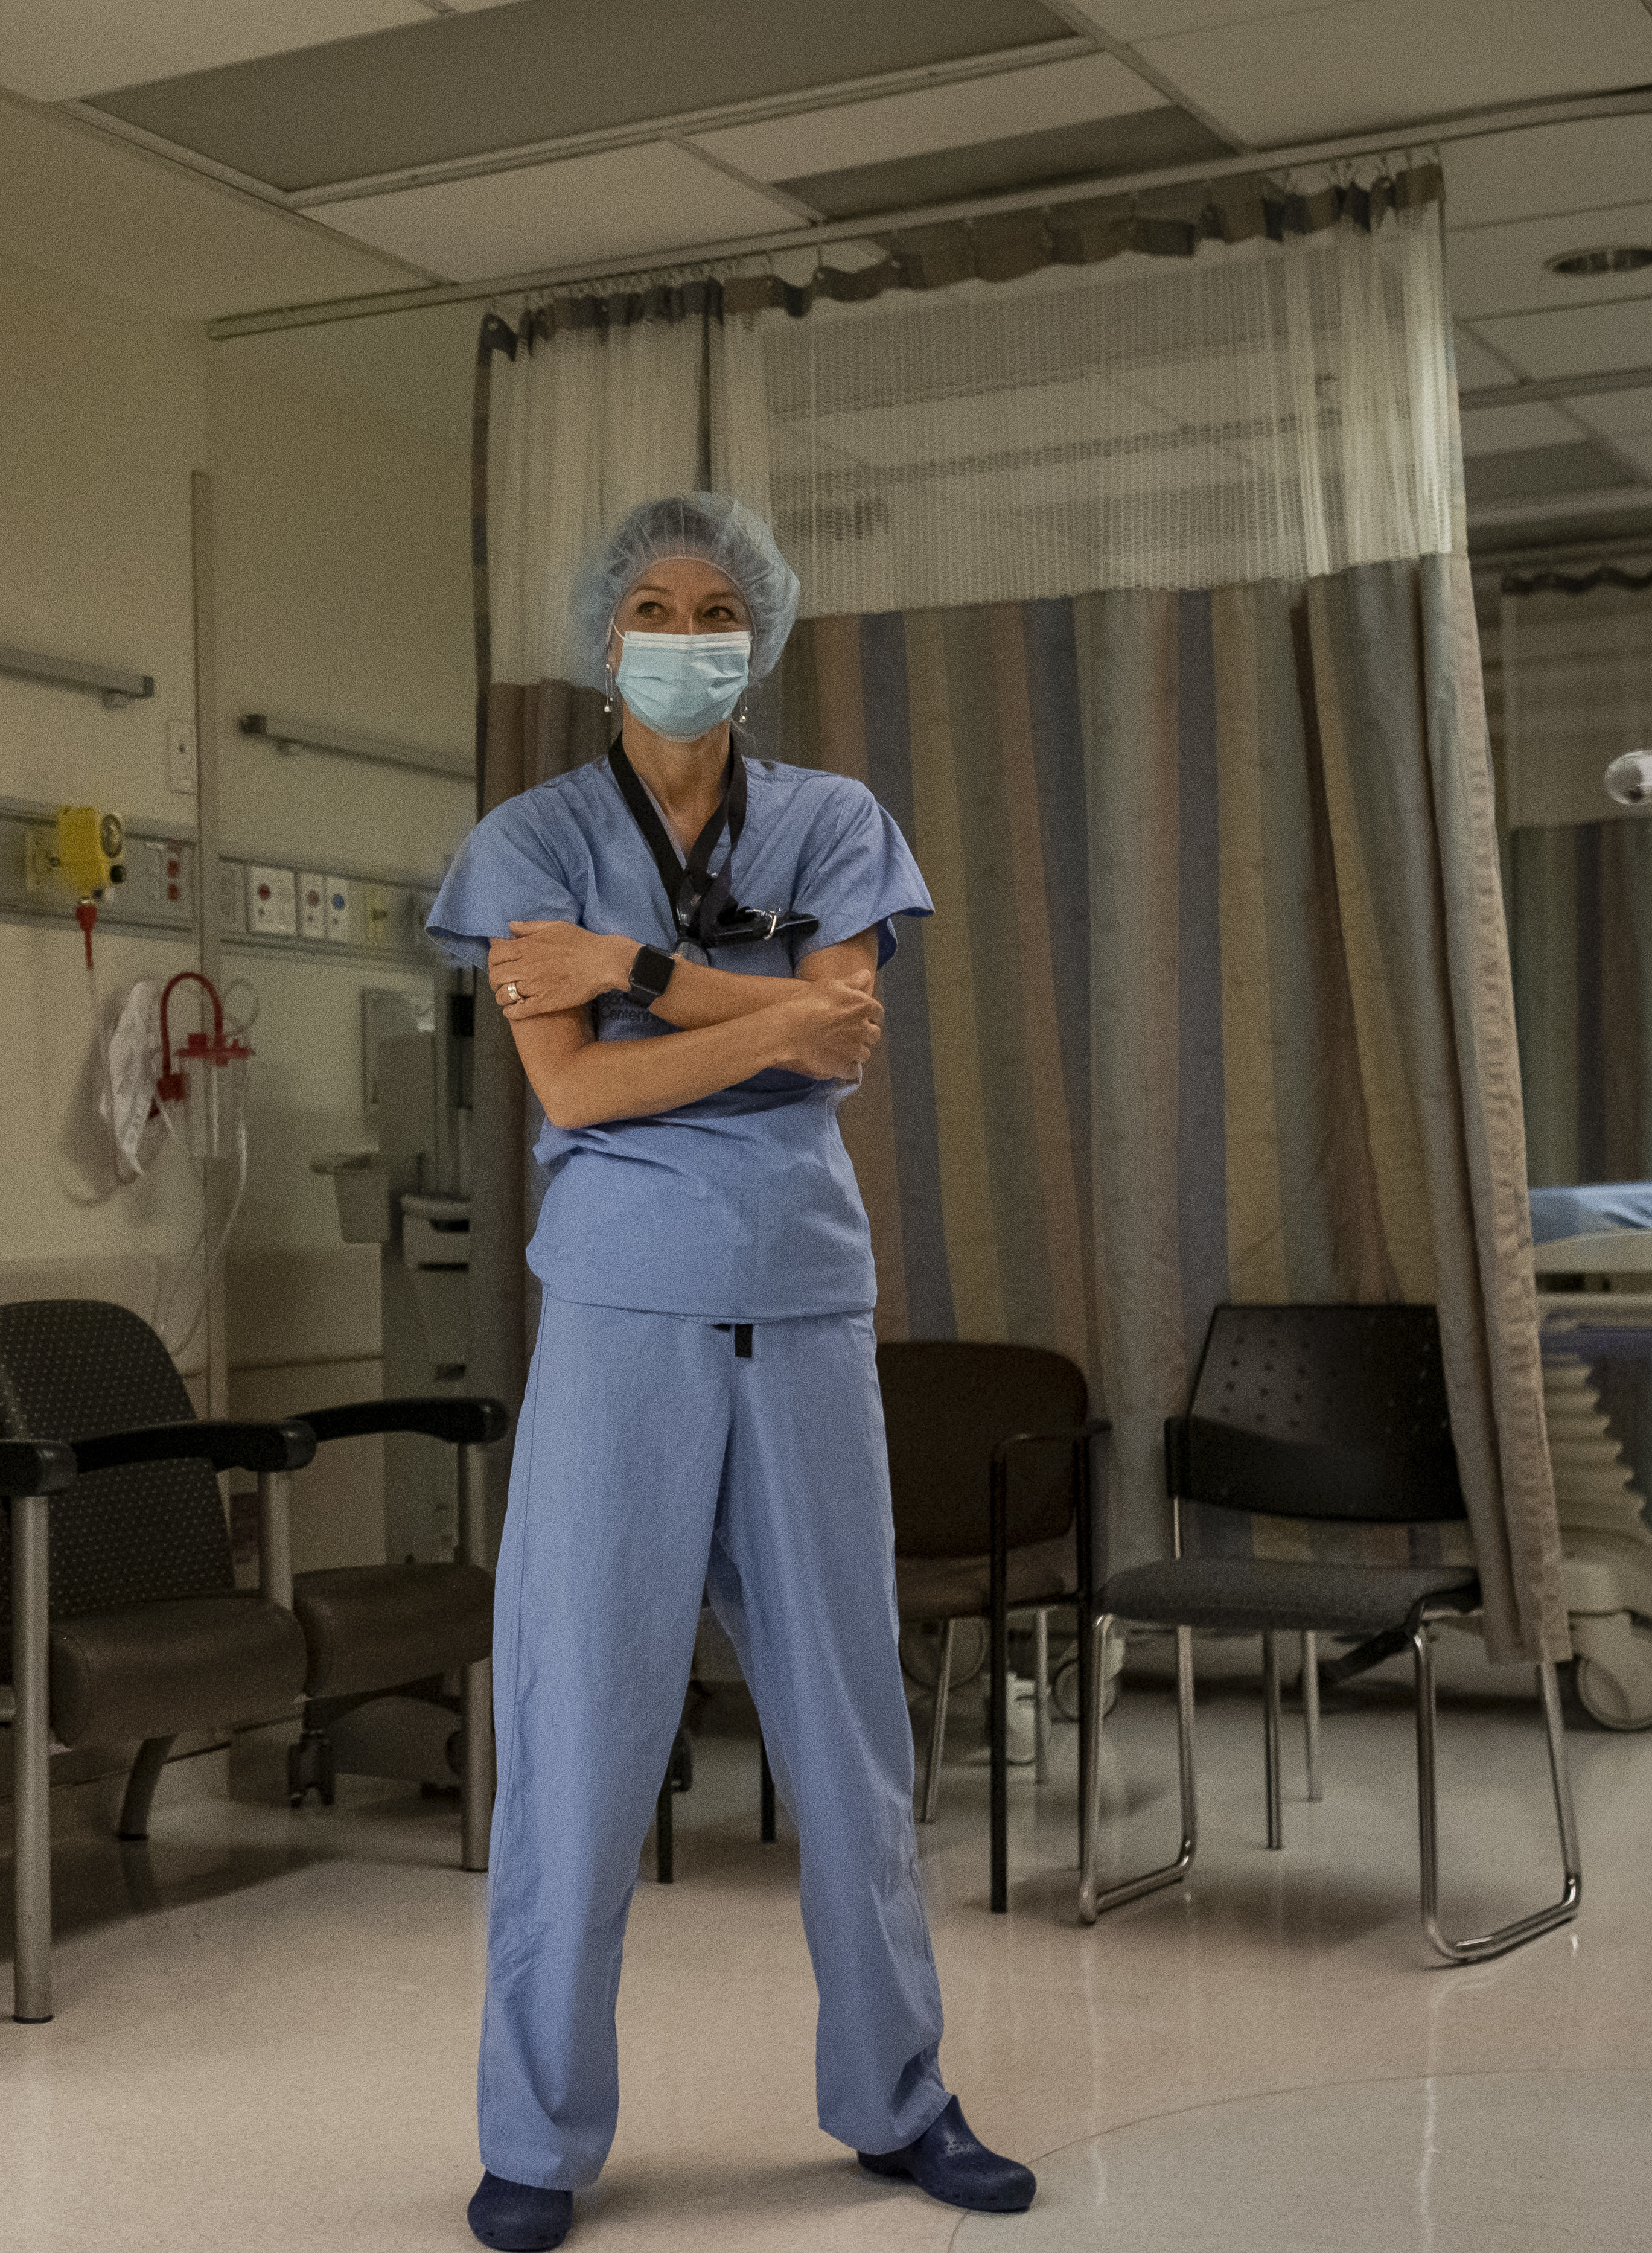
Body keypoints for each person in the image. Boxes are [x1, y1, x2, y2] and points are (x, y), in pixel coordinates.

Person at [426, 494, 1035, 2249]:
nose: (686, 631)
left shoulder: (835, 820)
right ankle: (534, 2144)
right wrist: (762, 1011)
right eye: (650, 607)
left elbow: (843, 1045)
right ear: (599, 639)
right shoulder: (532, 839)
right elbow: (577, 1096)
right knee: (580, 1735)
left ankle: (901, 2102)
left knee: (847, 1732)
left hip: (806, 1306)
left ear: (759, 635)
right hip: (622, 1319)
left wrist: (634, 978)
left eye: (716, 606)